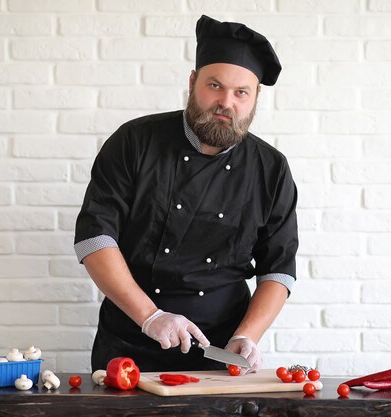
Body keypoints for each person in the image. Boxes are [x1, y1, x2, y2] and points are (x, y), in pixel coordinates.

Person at [74, 15, 298, 374]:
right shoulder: (134, 142)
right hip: (131, 346)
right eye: (215, 85)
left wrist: (248, 336)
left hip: (222, 352)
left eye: (241, 92)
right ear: (193, 82)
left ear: (255, 98)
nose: (226, 102)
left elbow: (279, 270)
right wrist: (151, 316)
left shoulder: (270, 168)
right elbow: (94, 238)